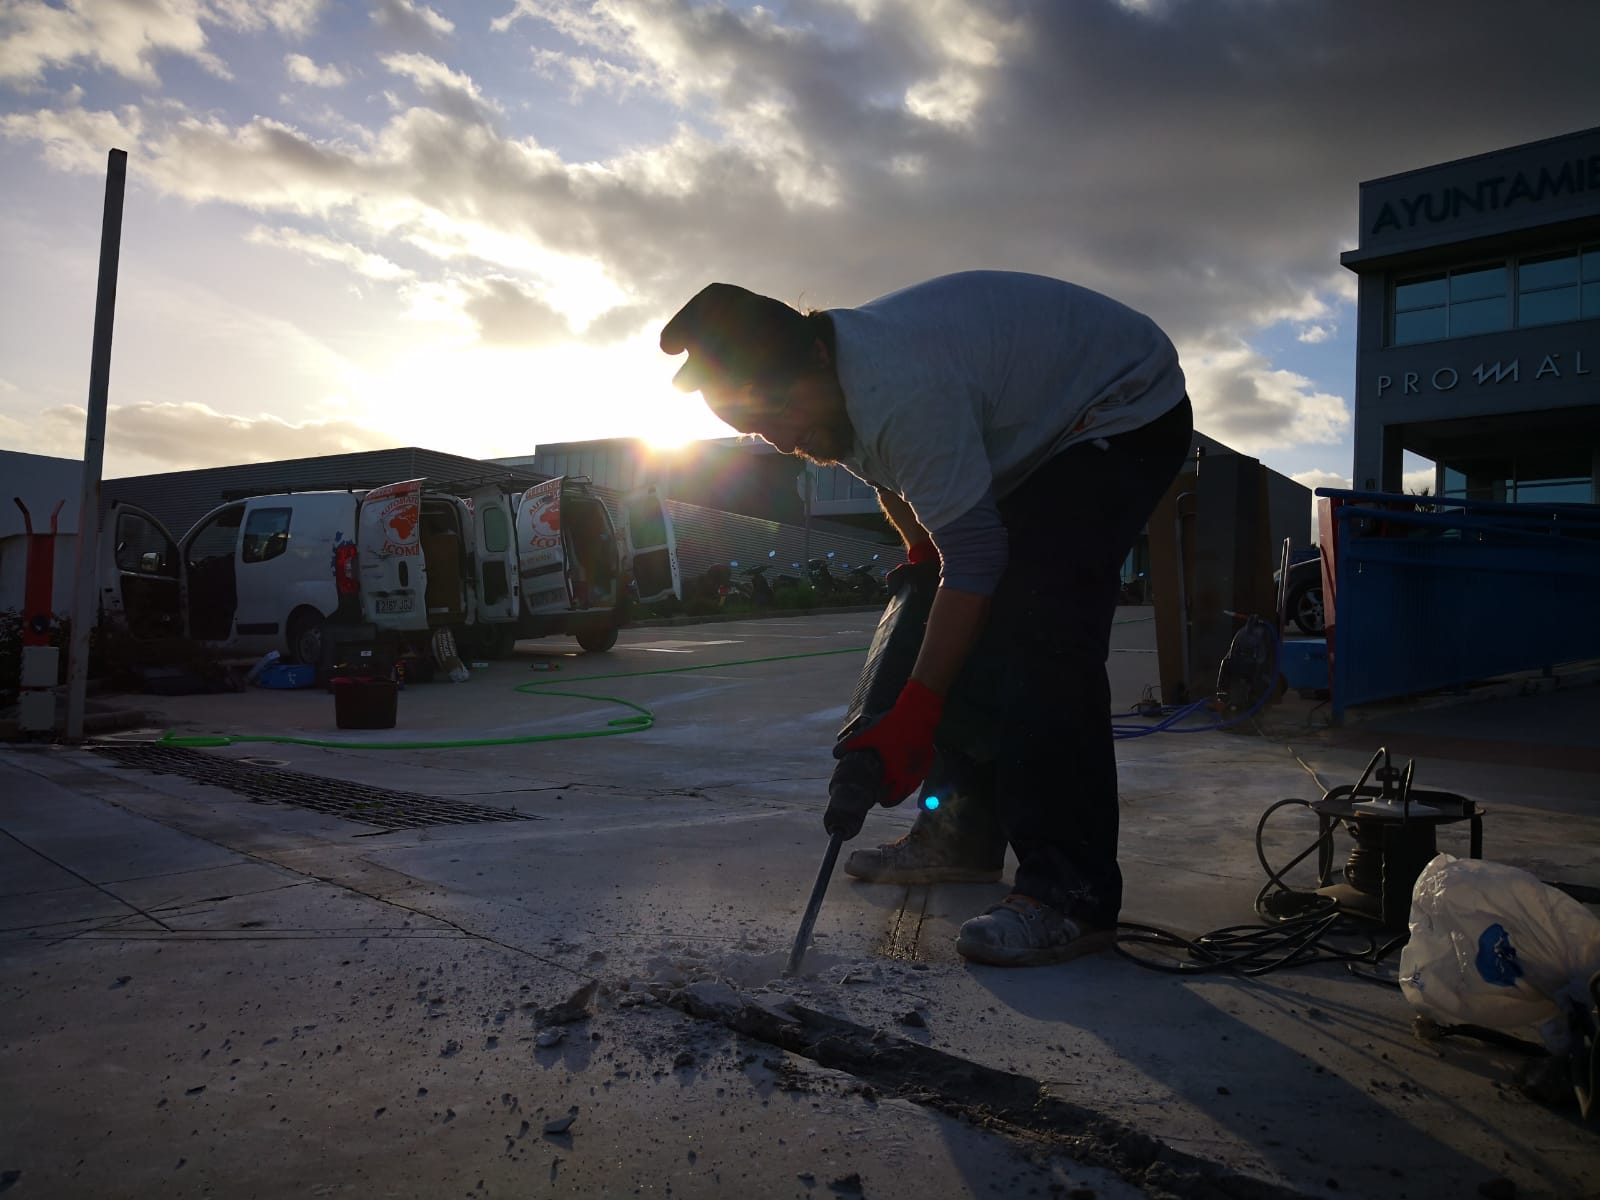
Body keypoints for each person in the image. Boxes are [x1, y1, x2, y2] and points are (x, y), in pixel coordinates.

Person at [659, 271, 1192, 967]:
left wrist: (917, 707)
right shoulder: (825, 393)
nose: (784, 438)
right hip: (1035, 428)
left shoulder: (899, 390)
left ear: (816, 358)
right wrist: (918, 557)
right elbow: (890, 481)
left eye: (780, 413)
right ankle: (963, 835)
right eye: (756, 427)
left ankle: (1072, 891)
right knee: (938, 603)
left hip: (1121, 408)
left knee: (1038, 619)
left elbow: (973, 559)